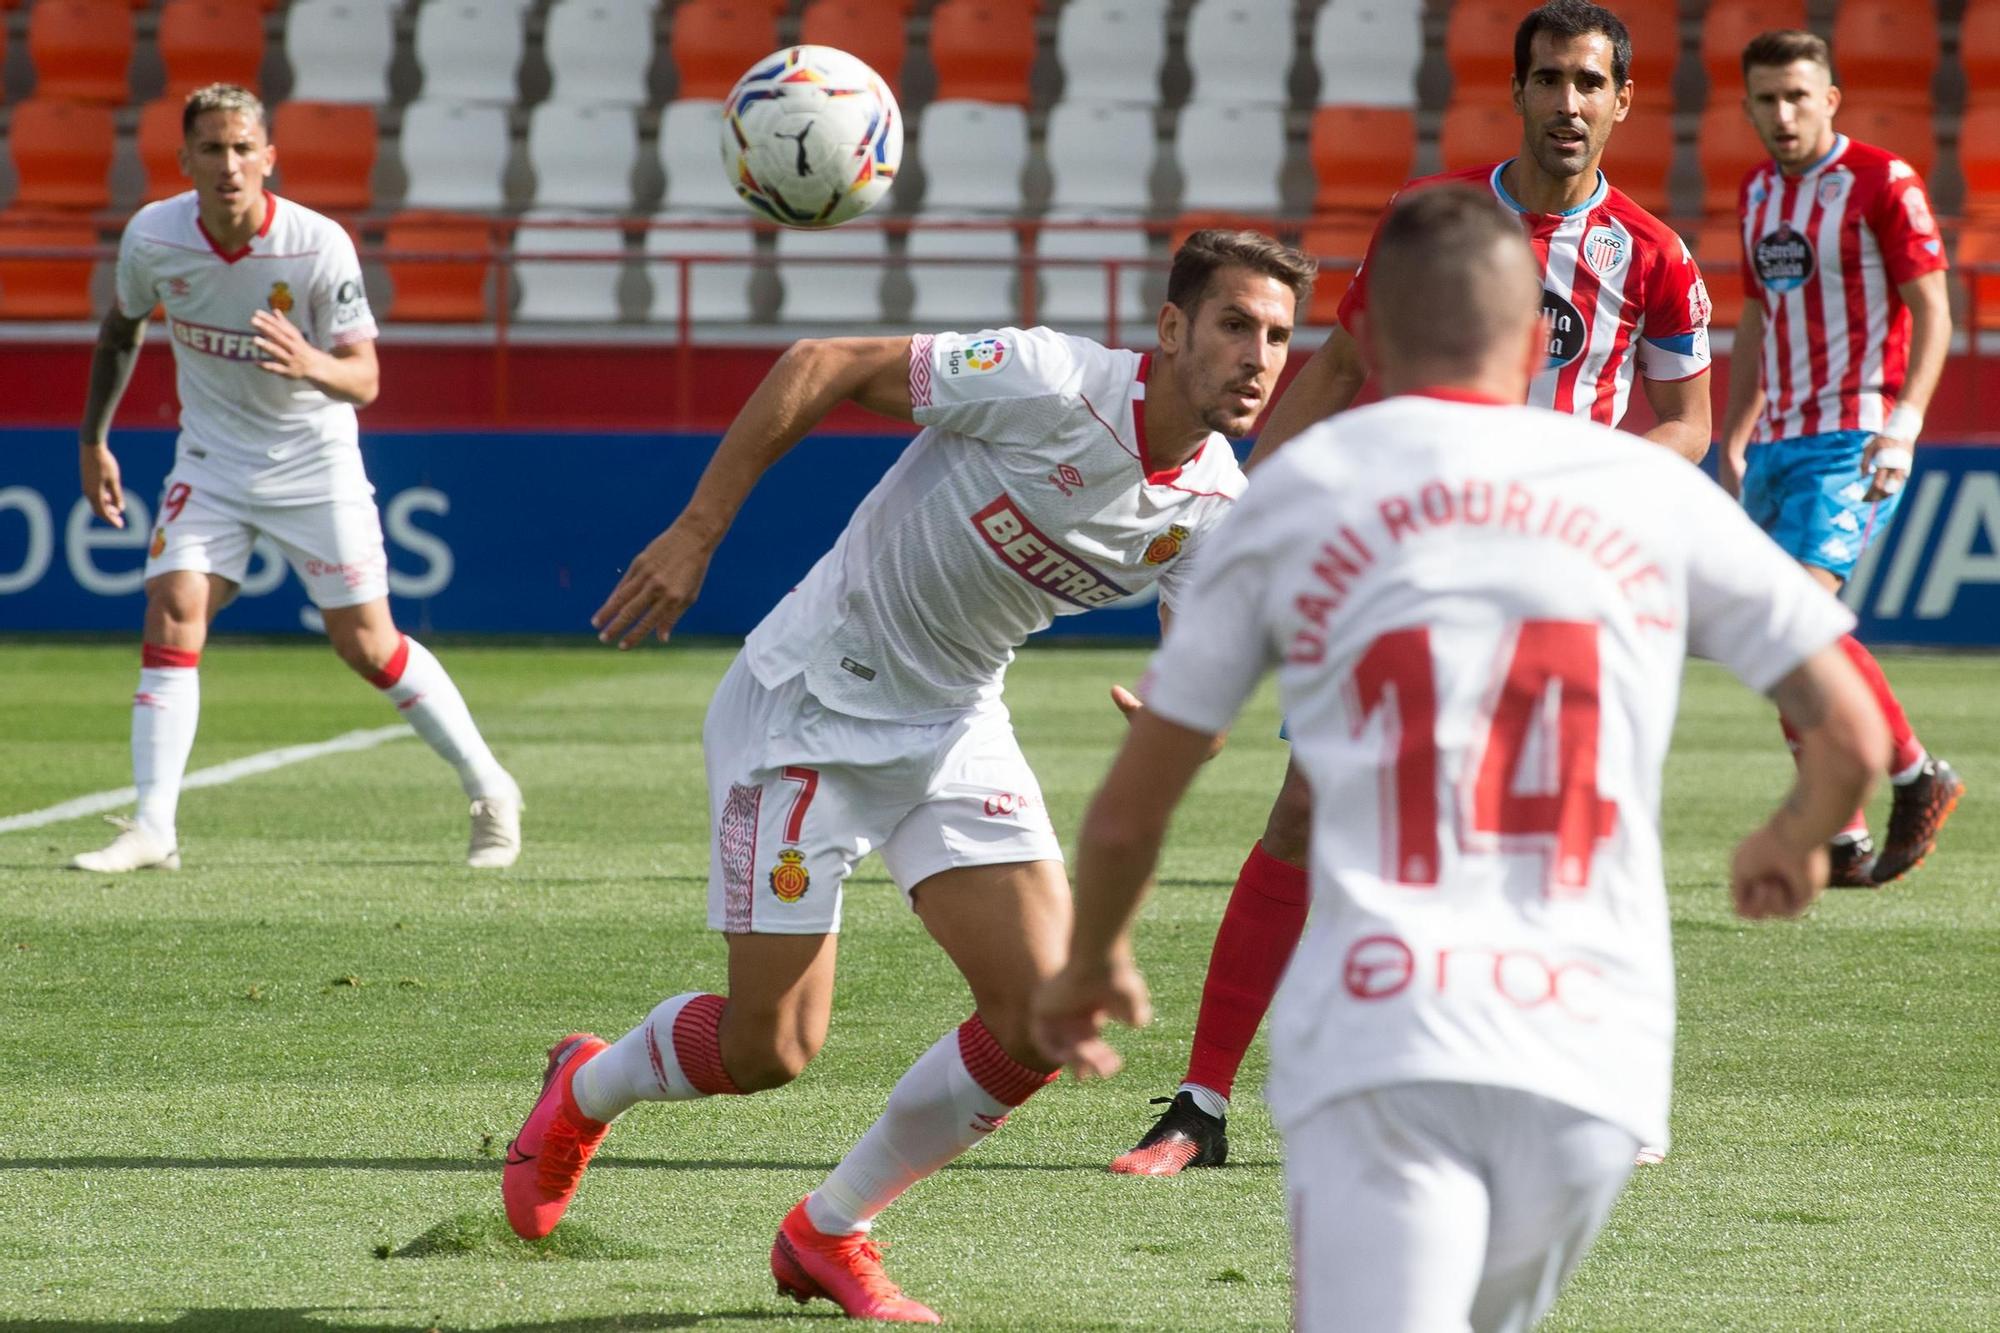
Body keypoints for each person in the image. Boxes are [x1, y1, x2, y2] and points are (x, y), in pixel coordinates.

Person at [1034, 186, 1885, 1333]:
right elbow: (1850, 732)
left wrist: (1089, 963)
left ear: (1368, 333)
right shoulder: (1643, 493)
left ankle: (1205, 1093)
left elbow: (1128, 816)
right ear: (1537, 341)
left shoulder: (1296, 498)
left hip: (1385, 1035)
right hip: (1593, 1062)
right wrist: (1792, 832)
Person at [498, 230, 1315, 1322]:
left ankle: (828, 1230)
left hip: (953, 723)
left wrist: (1182, 726)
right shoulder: (1046, 379)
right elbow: (818, 364)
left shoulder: (1215, 507)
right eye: (1232, 326)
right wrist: (698, 530)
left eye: (1275, 335)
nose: (1257, 356)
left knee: (1038, 1017)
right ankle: (587, 1086)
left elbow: (1196, 679)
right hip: (806, 709)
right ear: (1169, 331)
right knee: (770, 1049)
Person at [1112, 0, 1716, 1178]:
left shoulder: (1653, 256)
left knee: (1565, 835)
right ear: (1520, 92)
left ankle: (1595, 1083)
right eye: (1547, 80)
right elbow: (1338, 363)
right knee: (1302, 813)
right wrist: (1238, 514)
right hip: (1404, 566)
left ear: (1621, 102)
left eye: (1589, 83)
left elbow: (1688, 423)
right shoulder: (1428, 219)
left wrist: (1589, 482)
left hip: (1553, 583)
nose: (1567, 104)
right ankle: (1200, 1102)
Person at [70, 84, 522, 874]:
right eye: (212, 149)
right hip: (211, 459)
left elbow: (365, 378)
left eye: (244, 148)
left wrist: (312, 361)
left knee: (368, 643)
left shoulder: (317, 245)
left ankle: (490, 787)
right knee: (172, 605)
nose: (229, 165)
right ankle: (152, 826)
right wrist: (93, 438)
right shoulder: (154, 237)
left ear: (269, 158)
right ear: (185, 161)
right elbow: (121, 329)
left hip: (314, 463)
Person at [1718, 29, 1964, 888]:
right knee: (1769, 629)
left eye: (1797, 96)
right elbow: (1754, 320)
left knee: (1795, 612)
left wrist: (1905, 422)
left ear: (1830, 99)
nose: (1781, 114)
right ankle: (1845, 830)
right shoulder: (1755, 193)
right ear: (1746, 105)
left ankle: (1916, 773)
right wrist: (1737, 429)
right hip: (1779, 439)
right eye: (1765, 99)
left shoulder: (1881, 181)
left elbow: (1933, 310)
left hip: (1853, 436)